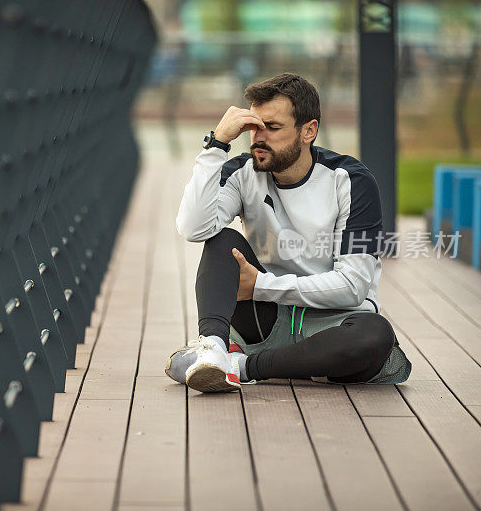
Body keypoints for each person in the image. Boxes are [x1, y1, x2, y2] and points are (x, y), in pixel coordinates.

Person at [166, 72, 411, 393]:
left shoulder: (351, 181)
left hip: (334, 322)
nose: (258, 138)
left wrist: (261, 285)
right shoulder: (242, 172)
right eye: (253, 127)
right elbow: (193, 228)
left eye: (273, 127)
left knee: (374, 336)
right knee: (222, 241)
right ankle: (212, 348)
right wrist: (216, 145)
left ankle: (238, 365)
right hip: (262, 320)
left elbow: (352, 288)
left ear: (309, 130)